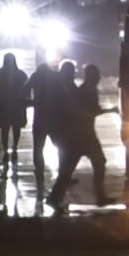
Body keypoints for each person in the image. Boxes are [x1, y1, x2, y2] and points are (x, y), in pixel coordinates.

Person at [46, 65, 119, 211]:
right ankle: (99, 197)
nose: (99, 78)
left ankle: (54, 198)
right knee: (97, 163)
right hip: (84, 135)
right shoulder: (88, 91)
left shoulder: (85, 90)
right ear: (92, 76)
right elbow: (91, 111)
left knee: (70, 169)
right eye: (97, 75)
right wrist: (110, 110)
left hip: (78, 135)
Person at [24, 64, 56, 193]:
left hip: (39, 116)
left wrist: (30, 100)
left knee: (38, 147)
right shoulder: (53, 77)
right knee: (60, 145)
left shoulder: (35, 76)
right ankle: (65, 171)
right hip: (53, 116)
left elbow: (25, 89)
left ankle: (39, 169)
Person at [0, 53, 28, 168]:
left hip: (3, 104)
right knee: (16, 127)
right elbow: (26, 89)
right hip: (17, 104)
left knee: (5, 128)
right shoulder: (21, 74)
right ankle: (14, 148)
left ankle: (6, 151)